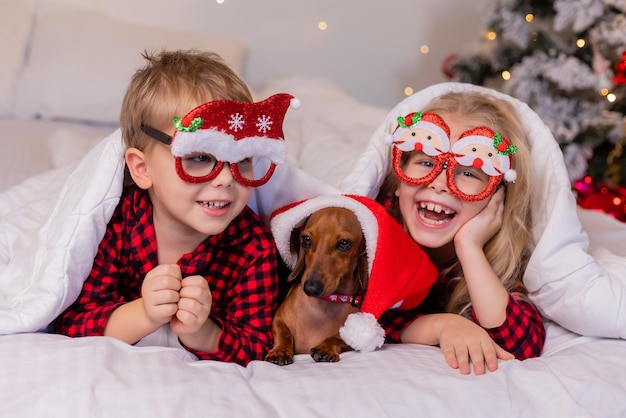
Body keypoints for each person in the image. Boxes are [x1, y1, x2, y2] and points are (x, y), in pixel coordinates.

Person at [52, 49, 298, 366]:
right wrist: (142, 313)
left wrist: (202, 332)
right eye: (198, 157)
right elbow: (69, 320)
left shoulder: (253, 247)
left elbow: (258, 344)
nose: (225, 179)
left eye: (242, 158)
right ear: (142, 169)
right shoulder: (115, 225)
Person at [371, 91, 546, 375]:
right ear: (397, 179)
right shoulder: (373, 229)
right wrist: (440, 326)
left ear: (497, 197)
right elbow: (347, 311)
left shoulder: (493, 254)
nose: (440, 184)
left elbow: (522, 346)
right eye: (426, 163)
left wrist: (470, 248)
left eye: (468, 173)